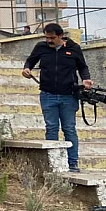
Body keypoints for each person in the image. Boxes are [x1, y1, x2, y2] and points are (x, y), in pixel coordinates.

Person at [22, 23, 92, 173]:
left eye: (52, 38)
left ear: (60, 36)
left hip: (69, 95)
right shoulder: (41, 47)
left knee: (69, 129)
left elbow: (82, 66)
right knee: (51, 128)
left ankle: (72, 163)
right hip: (48, 94)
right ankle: (53, 164)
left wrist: (86, 79)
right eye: (46, 37)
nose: (49, 40)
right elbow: (30, 61)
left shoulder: (73, 48)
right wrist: (26, 68)